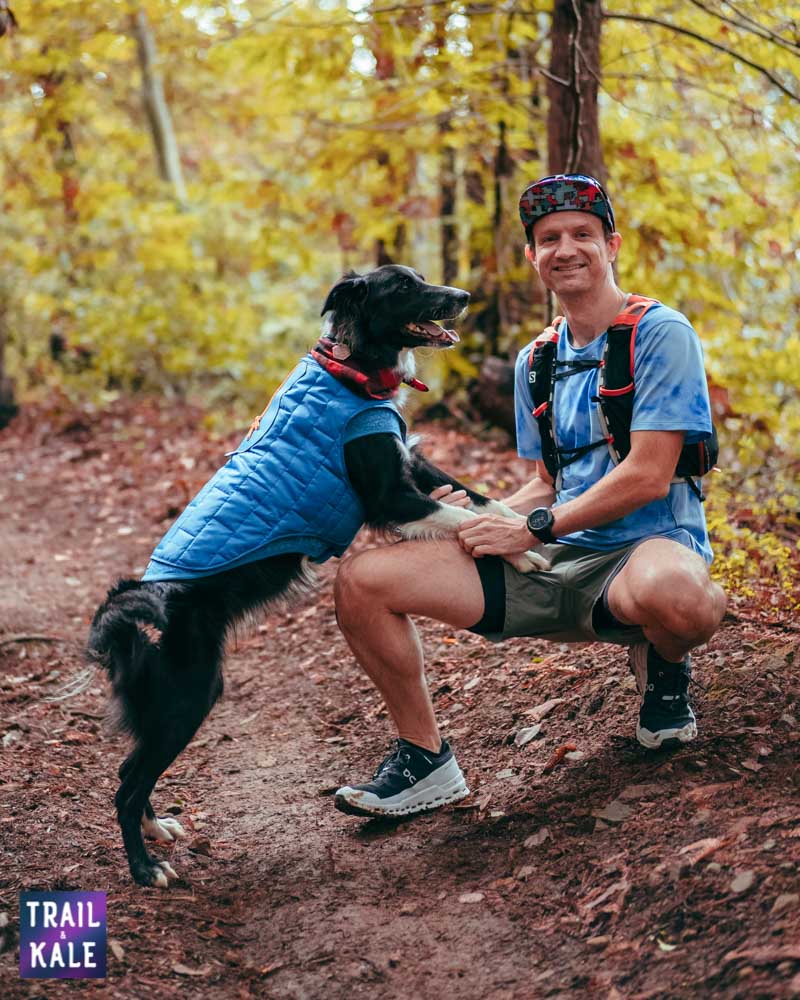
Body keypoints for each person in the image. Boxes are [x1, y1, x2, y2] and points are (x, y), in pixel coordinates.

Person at [332, 173, 726, 819]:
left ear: (612, 244)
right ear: (532, 257)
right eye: (549, 240)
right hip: (553, 555)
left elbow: (649, 474)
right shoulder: (535, 360)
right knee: (364, 581)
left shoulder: (661, 333)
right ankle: (425, 760)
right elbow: (545, 482)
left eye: (582, 235)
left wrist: (533, 528)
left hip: (645, 550)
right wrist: (477, 522)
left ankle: (663, 660)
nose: (565, 249)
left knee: (678, 600)